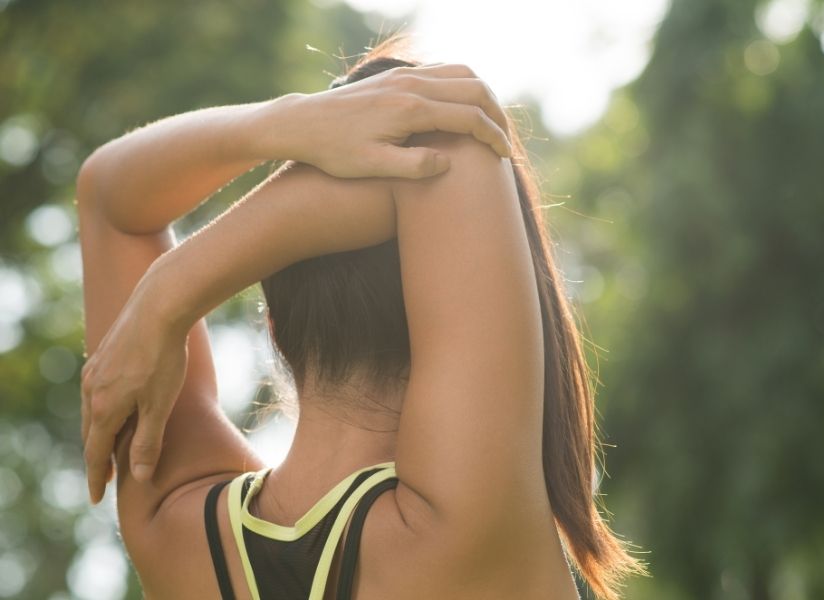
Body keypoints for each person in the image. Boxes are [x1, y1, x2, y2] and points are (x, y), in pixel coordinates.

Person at [76, 36, 647, 599]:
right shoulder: (460, 527)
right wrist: (170, 293)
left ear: (273, 326)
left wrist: (285, 124)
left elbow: (108, 192)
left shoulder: (174, 531)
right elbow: (449, 137)